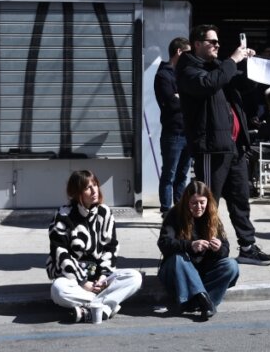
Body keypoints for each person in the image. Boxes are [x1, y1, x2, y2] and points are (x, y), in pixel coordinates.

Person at [176, 24, 270, 266]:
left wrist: (249, 65)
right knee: (206, 201)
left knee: (240, 199)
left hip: (235, 146)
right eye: (212, 42)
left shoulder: (218, 67)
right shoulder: (188, 68)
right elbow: (208, 84)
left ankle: (248, 247)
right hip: (211, 147)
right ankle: (202, 248)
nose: (217, 45)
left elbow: (243, 85)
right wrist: (232, 60)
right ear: (197, 44)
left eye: (218, 42)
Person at [46, 170, 143, 323]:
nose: (94, 191)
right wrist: (83, 282)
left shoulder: (105, 213)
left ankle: (90, 309)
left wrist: (103, 277)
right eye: (87, 188)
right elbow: (59, 252)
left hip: (100, 280)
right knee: (58, 289)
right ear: (76, 192)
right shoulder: (63, 215)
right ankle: (105, 307)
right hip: (74, 281)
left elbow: (111, 248)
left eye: (95, 185)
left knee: (134, 277)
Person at [157, 180, 240, 319]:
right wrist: (190, 246)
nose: (199, 207)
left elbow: (225, 250)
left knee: (232, 265)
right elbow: (164, 243)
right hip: (178, 273)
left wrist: (219, 248)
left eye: (202, 202)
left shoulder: (212, 216)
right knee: (179, 258)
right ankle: (204, 301)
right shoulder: (174, 214)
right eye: (194, 203)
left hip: (203, 271)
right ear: (186, 202)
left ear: (208, 201)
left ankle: (196, 301)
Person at [155, 36, 192, 215]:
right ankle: (166, 211)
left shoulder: (184, 74)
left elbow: (192, 99)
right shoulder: (163, 75)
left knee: (183, 175)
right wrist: (183, 98)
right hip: (173, 133)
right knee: (169, 174)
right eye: (188, 53)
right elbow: (171, 103)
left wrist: (180, 97)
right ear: (179, 51)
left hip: (188, 132)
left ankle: (180, 210)